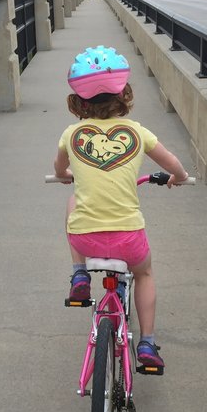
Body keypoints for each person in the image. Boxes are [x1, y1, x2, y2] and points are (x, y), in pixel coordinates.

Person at [53, 45, 189, 368]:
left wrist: (66, 175)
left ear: (78, 101)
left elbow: (60, 170)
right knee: (144, 274)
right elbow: (174, 165)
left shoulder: (71, 135)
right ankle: (147, 343)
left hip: (86, 239)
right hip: (129, 239)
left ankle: (79, 274)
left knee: (73, 200)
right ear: (123, 94)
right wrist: (178, 177)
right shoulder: (136, 132)